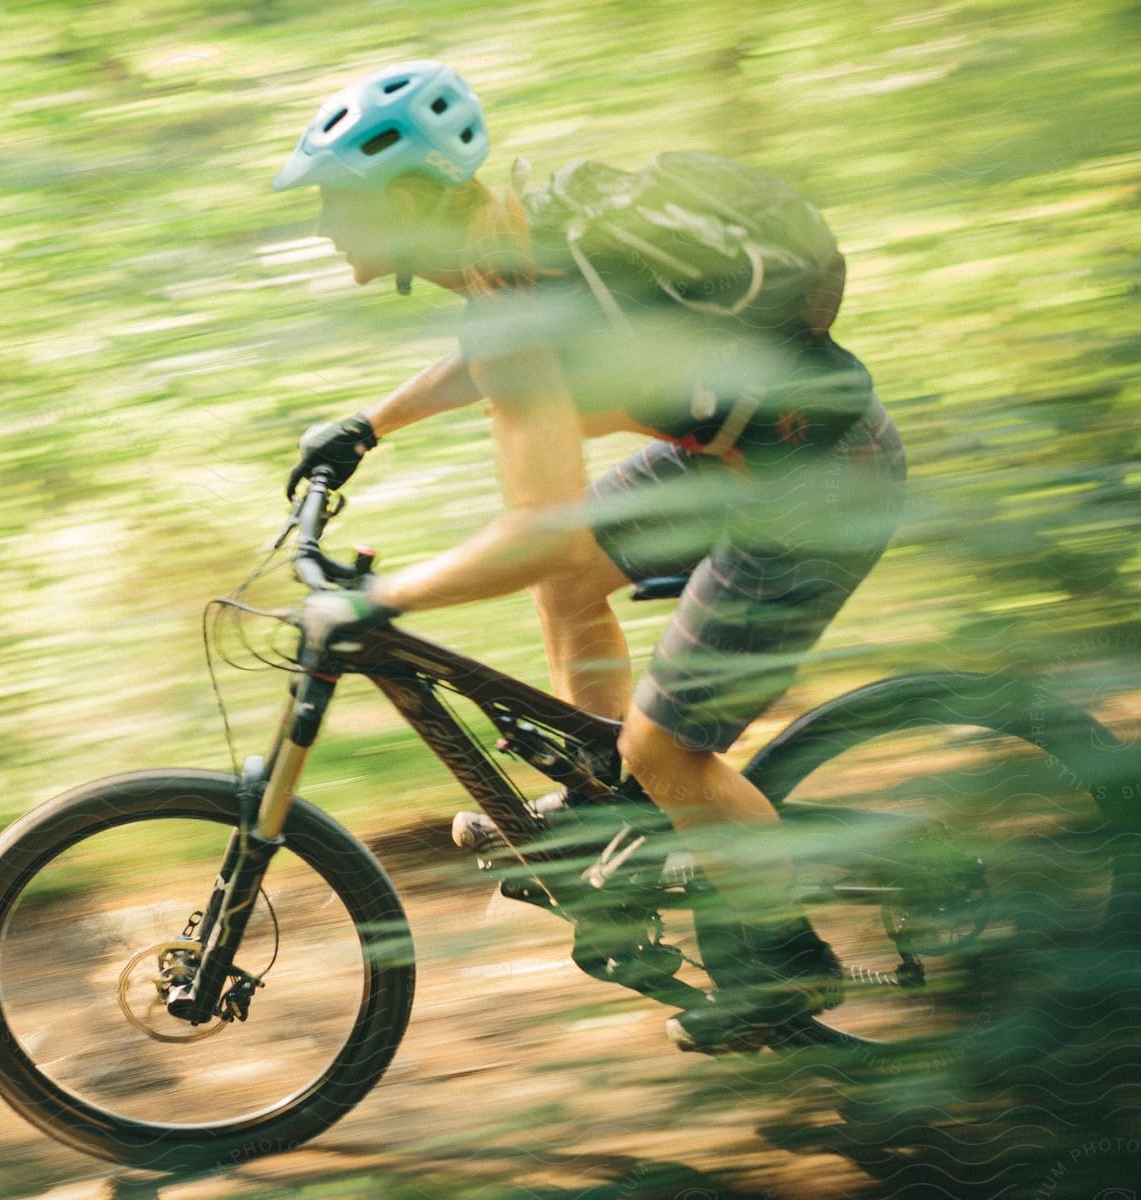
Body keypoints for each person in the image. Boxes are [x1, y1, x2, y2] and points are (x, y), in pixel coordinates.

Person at [272, 60, 908, 1052]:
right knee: (578, 589)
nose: (325, 227)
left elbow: (539, 523)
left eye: (336, 203)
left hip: (821, 479)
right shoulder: (517, 237)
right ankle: (614, 806)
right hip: (736, 456)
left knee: (667, 746)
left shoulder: (535, 294)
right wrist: (370, 424)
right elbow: (496, 352)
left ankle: (785, 970)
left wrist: (382, 599)